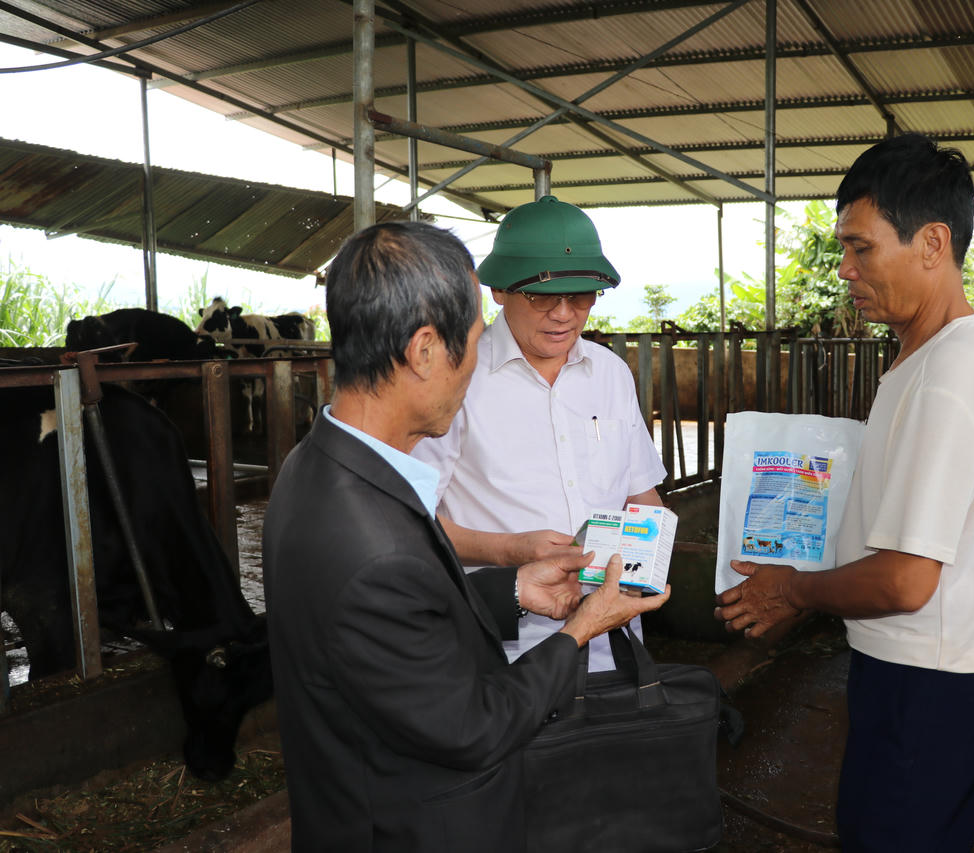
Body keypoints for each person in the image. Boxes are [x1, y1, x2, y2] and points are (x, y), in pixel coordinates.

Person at [262, 220, 669, 852]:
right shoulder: (371, 538)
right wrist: (580, 630)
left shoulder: (322, 469)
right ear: (425, 351)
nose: (478, 361)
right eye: (476, 339)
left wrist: (515, 590)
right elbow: (473, 727)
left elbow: (407, 620)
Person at [714, 133, 974, 851]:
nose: (845, 270)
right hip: (936, 671)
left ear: (931, 242)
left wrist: (793, 590)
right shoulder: (928, 358)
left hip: (929, 683)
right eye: (844, 250)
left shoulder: (947, 379)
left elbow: (906, 577)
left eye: (862, 248)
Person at [413, 195, 667, 671]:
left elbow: (642, 495)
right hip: (502, 649)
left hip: (613, 645)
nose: (564, 314)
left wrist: (653, 559)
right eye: (543, 295)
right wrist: (510, 549)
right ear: (500, 291)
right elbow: (410, 521)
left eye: (582, 296)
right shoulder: (455, 379)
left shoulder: (610, 373)